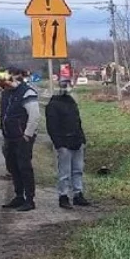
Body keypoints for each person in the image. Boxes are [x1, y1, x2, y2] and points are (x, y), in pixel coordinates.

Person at [45, 76, 90, 209]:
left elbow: (78, 121)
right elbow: (52, 126)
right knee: (64, 172)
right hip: (64, 143)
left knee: (78, 170)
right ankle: (63, 196)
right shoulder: (53, 105)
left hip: (76, 140)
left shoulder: (71, 102)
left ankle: (78, 194)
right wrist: (58, 144)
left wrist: (82, 139)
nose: (67, 88)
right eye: (64, 85)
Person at [0, 67, 40, 212]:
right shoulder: (6, 92)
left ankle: (30, 199)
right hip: (9, 136)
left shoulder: (27, 92)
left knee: (24, 167)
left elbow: (34, 116)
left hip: (23, 136)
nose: (7, 79)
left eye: (10, 76)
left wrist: (27, 135)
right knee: (13, 167)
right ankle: (19, 196)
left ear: (18, 77)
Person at [0, 69, 14, 181]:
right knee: (6, 149)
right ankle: (12, 171)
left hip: (14, 127)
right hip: (5, 126)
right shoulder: (2, 94)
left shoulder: (12, 93)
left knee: (9, 149)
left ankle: (13, 172)